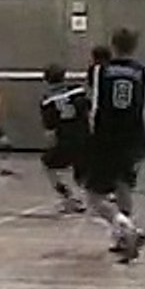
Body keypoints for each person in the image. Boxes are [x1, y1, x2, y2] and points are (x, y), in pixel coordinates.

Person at [86, 28, 145, 262]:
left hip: (105, 137)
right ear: (134, 47)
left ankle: (128, 230)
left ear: (112, 45)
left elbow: (95, 107)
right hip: (132, 137)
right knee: (124, 186)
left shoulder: (99, 71)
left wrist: (91, 137)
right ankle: (122, 238)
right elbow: (144, 109)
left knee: (94, 198)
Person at [39, 63, 89, 214]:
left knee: (48, 164)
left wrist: (52, 145)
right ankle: (90, 198)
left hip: (66, 139)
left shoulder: (47, 101)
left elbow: (50, 130)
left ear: (46, 81)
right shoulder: (78, 91)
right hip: (84, 136)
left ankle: (69, 197)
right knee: (81, 172)